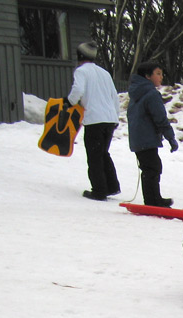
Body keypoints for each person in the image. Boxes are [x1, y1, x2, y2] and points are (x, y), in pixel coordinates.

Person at [66, 41, 121, 201]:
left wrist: (69, 102)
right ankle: (112, 186)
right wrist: (115, 116)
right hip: (109, 119)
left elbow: (78, 90)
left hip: (94, 119)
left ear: (80, 56)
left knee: (94, 156)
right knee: (103, 153)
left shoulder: (81, 71)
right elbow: (114, 96)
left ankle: (99, 190)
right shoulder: (104, 73)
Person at [127, 60, 178, 208]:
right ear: (147, 76)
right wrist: (171, 138)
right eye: (158, 73)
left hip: (138, 138)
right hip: (147, 138)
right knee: (153, 168)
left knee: (149, 168)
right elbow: (160, 118)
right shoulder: (151, 94)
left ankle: (153, 199)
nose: (161, 77)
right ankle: (153, 201)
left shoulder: (136, 93)